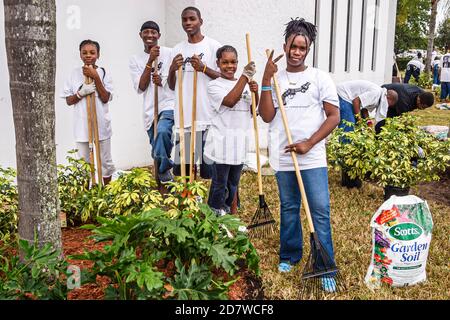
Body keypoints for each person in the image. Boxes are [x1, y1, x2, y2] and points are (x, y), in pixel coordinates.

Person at [258, 18, 340, 292]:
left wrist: (310, 142)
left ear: (308, 50)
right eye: (293, 46)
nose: (296, 52)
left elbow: (333, 116)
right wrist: (266, 78)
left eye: (302, 48)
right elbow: (267, 115)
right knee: (290, 207)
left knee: (320, 210)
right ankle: (290, 255)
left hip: (312, 157)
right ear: (285, 46)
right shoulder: (276, 79)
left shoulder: (319, 78)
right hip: (283, 157)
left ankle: (324, 264)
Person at [168, 7, 222, 180]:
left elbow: (225, 79)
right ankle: (189, 200)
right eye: (185, 20)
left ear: (201, 21)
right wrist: (171, 69)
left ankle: (211, 205)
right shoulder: (177, 49)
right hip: (184, 118)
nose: (188, 23)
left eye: (192, 19)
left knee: (209, 171)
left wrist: (204, 68)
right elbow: (171, 85)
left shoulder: (214, 46)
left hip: (207, 117)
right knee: (184, 169)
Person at [204, 45, 258, 216]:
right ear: (218, 63)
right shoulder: (214, 85)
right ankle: (213, 215)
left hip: (239, 143)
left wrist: (256, 93)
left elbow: (253, 112)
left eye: (233, 62)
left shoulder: (245, 84)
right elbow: (230, 101)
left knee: (233, 184)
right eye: (225, 62)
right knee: (220, 183)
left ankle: (226, 213)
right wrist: (244, 77)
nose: (230, 66)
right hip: (221, 144)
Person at [61, 39, 116, 185]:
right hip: (81, 125)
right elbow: (68, 100)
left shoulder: (104, 72)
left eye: (92, 52)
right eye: (84, 52)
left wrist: (96, 77)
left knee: (105, 162)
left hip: (101, 125)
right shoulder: (73, 74)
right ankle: (86, 196)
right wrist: (80, 93)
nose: (88, 55)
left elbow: (105, 98)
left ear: (98, 54)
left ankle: (107, 193)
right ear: (80, 55)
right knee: (83, 163)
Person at [129, 21, 175, 182]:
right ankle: (162, 191)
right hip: (150, 110)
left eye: (153, 32)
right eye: (146, 32)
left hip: (168, 104)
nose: (150, 35)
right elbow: (141, 87)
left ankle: (165, 170)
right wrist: (149, 61)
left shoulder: (170, 53)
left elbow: (175, 80)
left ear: (159, 36)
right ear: (140, 35)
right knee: (158, 150)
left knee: (162, 131)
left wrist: (161, 79)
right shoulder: (135, 60)